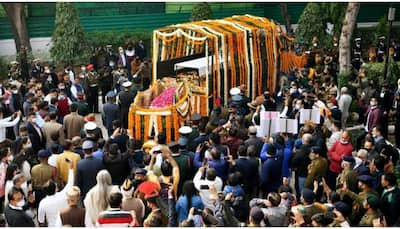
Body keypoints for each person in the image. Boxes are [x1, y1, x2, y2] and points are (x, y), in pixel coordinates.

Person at [37, 161, 74, 227]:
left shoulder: (43, 203)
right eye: (55, 184)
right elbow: (71, 182)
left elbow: (41, 220)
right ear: (55, 189)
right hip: (67, 225)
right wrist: (71, 169)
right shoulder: (64, 195)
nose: (56, 184)